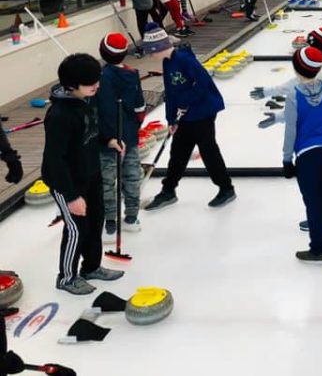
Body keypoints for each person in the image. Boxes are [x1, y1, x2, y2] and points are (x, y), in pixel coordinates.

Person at [254, 27, 322, 226]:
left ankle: (320, 220)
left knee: (315, 179)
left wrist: (273, 101)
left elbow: (297, 95)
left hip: (313, 131)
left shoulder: (320, 73)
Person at [41, 53, 126, 294]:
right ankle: (67, 277)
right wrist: (71, 196)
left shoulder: (86, 100)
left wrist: (109, 140)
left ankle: (91, 267)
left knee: (95, 222)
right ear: (72, 86)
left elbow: (90, 131)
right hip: (67, 182)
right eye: (91, 83)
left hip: (91, 173)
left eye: (97, 80)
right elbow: (54, 160)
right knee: (76, 228)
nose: (97, 86)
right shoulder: (59, 116)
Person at [142, 24, 236, 211]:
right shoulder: (167, 62)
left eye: (151, 52)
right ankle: (168, 190)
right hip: (185, 115)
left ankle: (226, 188)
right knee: (178, 151)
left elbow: (203, 85)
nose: (150, 56)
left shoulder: (185, 60)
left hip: (203, 111)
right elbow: (171, 92)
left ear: (159, 48)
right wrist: (171, 120)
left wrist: (185, 103)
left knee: (208, 150)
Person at [281, 47, 322, 264]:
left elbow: (291, 130)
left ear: (296, 68)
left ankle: (318, 248)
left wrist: (287, 159)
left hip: (307, 153)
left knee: (313, 201)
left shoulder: (294, 96)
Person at [96, 33, 145, 239]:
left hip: (106, 140)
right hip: (129, 137)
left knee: (107, 180)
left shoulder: (98, 79)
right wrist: (133, 127)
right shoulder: (133, 75)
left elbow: (95, 111)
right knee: (131, 176)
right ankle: (132, 217)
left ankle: (109, 222)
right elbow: (140, 108)